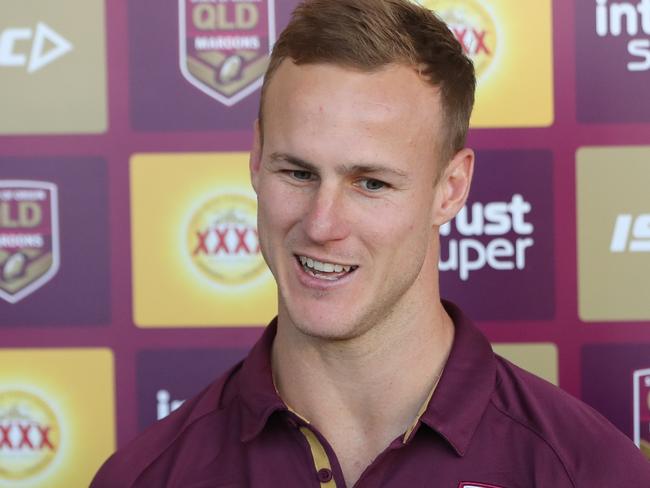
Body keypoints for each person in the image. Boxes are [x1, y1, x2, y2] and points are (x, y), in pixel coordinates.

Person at [92, 0, 650, 486]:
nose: (322, 223)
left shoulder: (588, 472)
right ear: (257, 160)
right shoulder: (146, 476)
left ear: (450, 190)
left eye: (371, 183)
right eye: (298, 172)